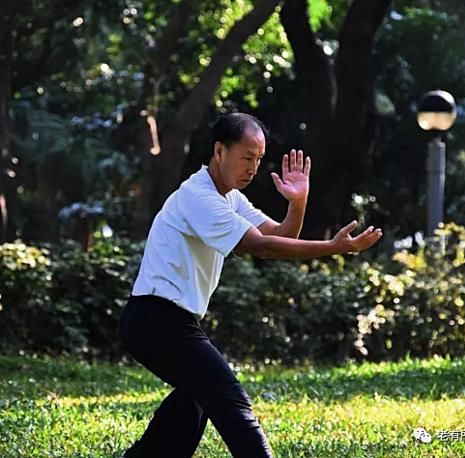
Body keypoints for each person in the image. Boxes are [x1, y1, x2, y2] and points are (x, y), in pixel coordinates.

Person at [118, 112, 383, 458]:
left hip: (167, 322)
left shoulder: (229, 197)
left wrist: (298, 203)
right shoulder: (199, 197)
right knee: (228, 400)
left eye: (258, 159)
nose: (253, 167)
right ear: (219, 151)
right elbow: (259, 246)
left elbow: (279, 236)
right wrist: (332, 247)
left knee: (195, 400)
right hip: (156, 320)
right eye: (246, 157)